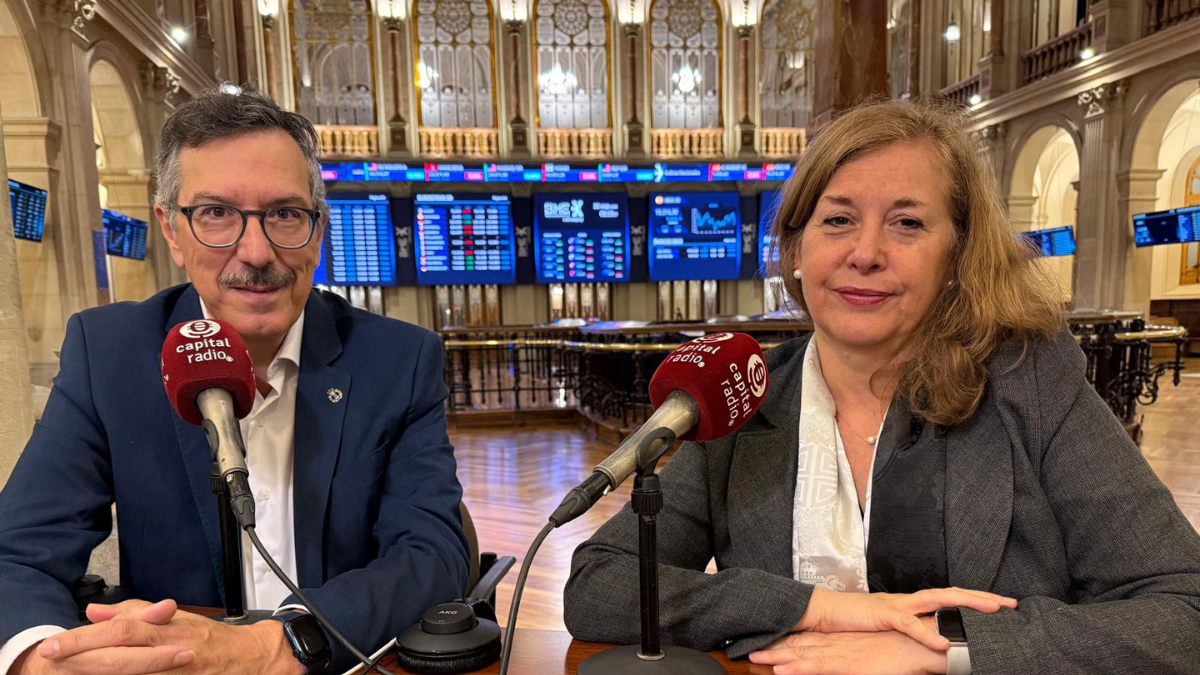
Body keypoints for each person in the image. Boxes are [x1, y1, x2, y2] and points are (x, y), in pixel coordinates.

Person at [563, 99, 1200, 674]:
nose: (865, 253)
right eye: (837, 220)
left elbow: (1183, 612)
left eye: (907, 224)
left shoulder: (1029, 381)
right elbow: (600, 587)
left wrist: (947, 652)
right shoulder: (746, 399)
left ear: (957, 259)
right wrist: (824, 609)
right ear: (796, 250)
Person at [0, 83, 470, 675]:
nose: (256, 250)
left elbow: (434, 554)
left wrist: (280, 644)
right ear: (171, 229)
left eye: (284, 214)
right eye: (217, 213)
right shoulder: (109, 353)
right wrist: (38, 660)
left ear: (317, 230)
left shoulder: (399, 359)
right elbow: (16, 556)